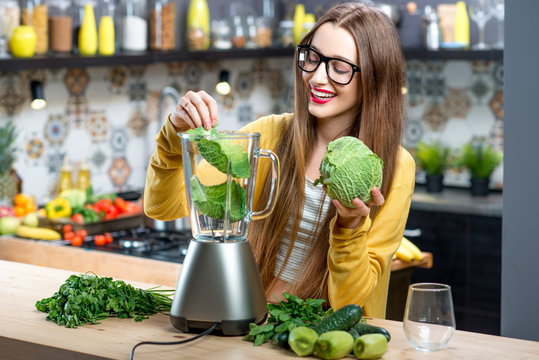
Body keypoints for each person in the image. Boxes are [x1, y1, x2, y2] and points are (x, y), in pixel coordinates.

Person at [144, 1, 415, 319]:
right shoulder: (267, 135)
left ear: (374, 78)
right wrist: (174, 136)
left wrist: (350, 228)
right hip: (252, 327)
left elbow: (350, 305)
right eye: (312, 58)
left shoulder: (395, 168)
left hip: (324, 342)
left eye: (339, 67)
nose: (316, 77)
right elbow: (162, 208)